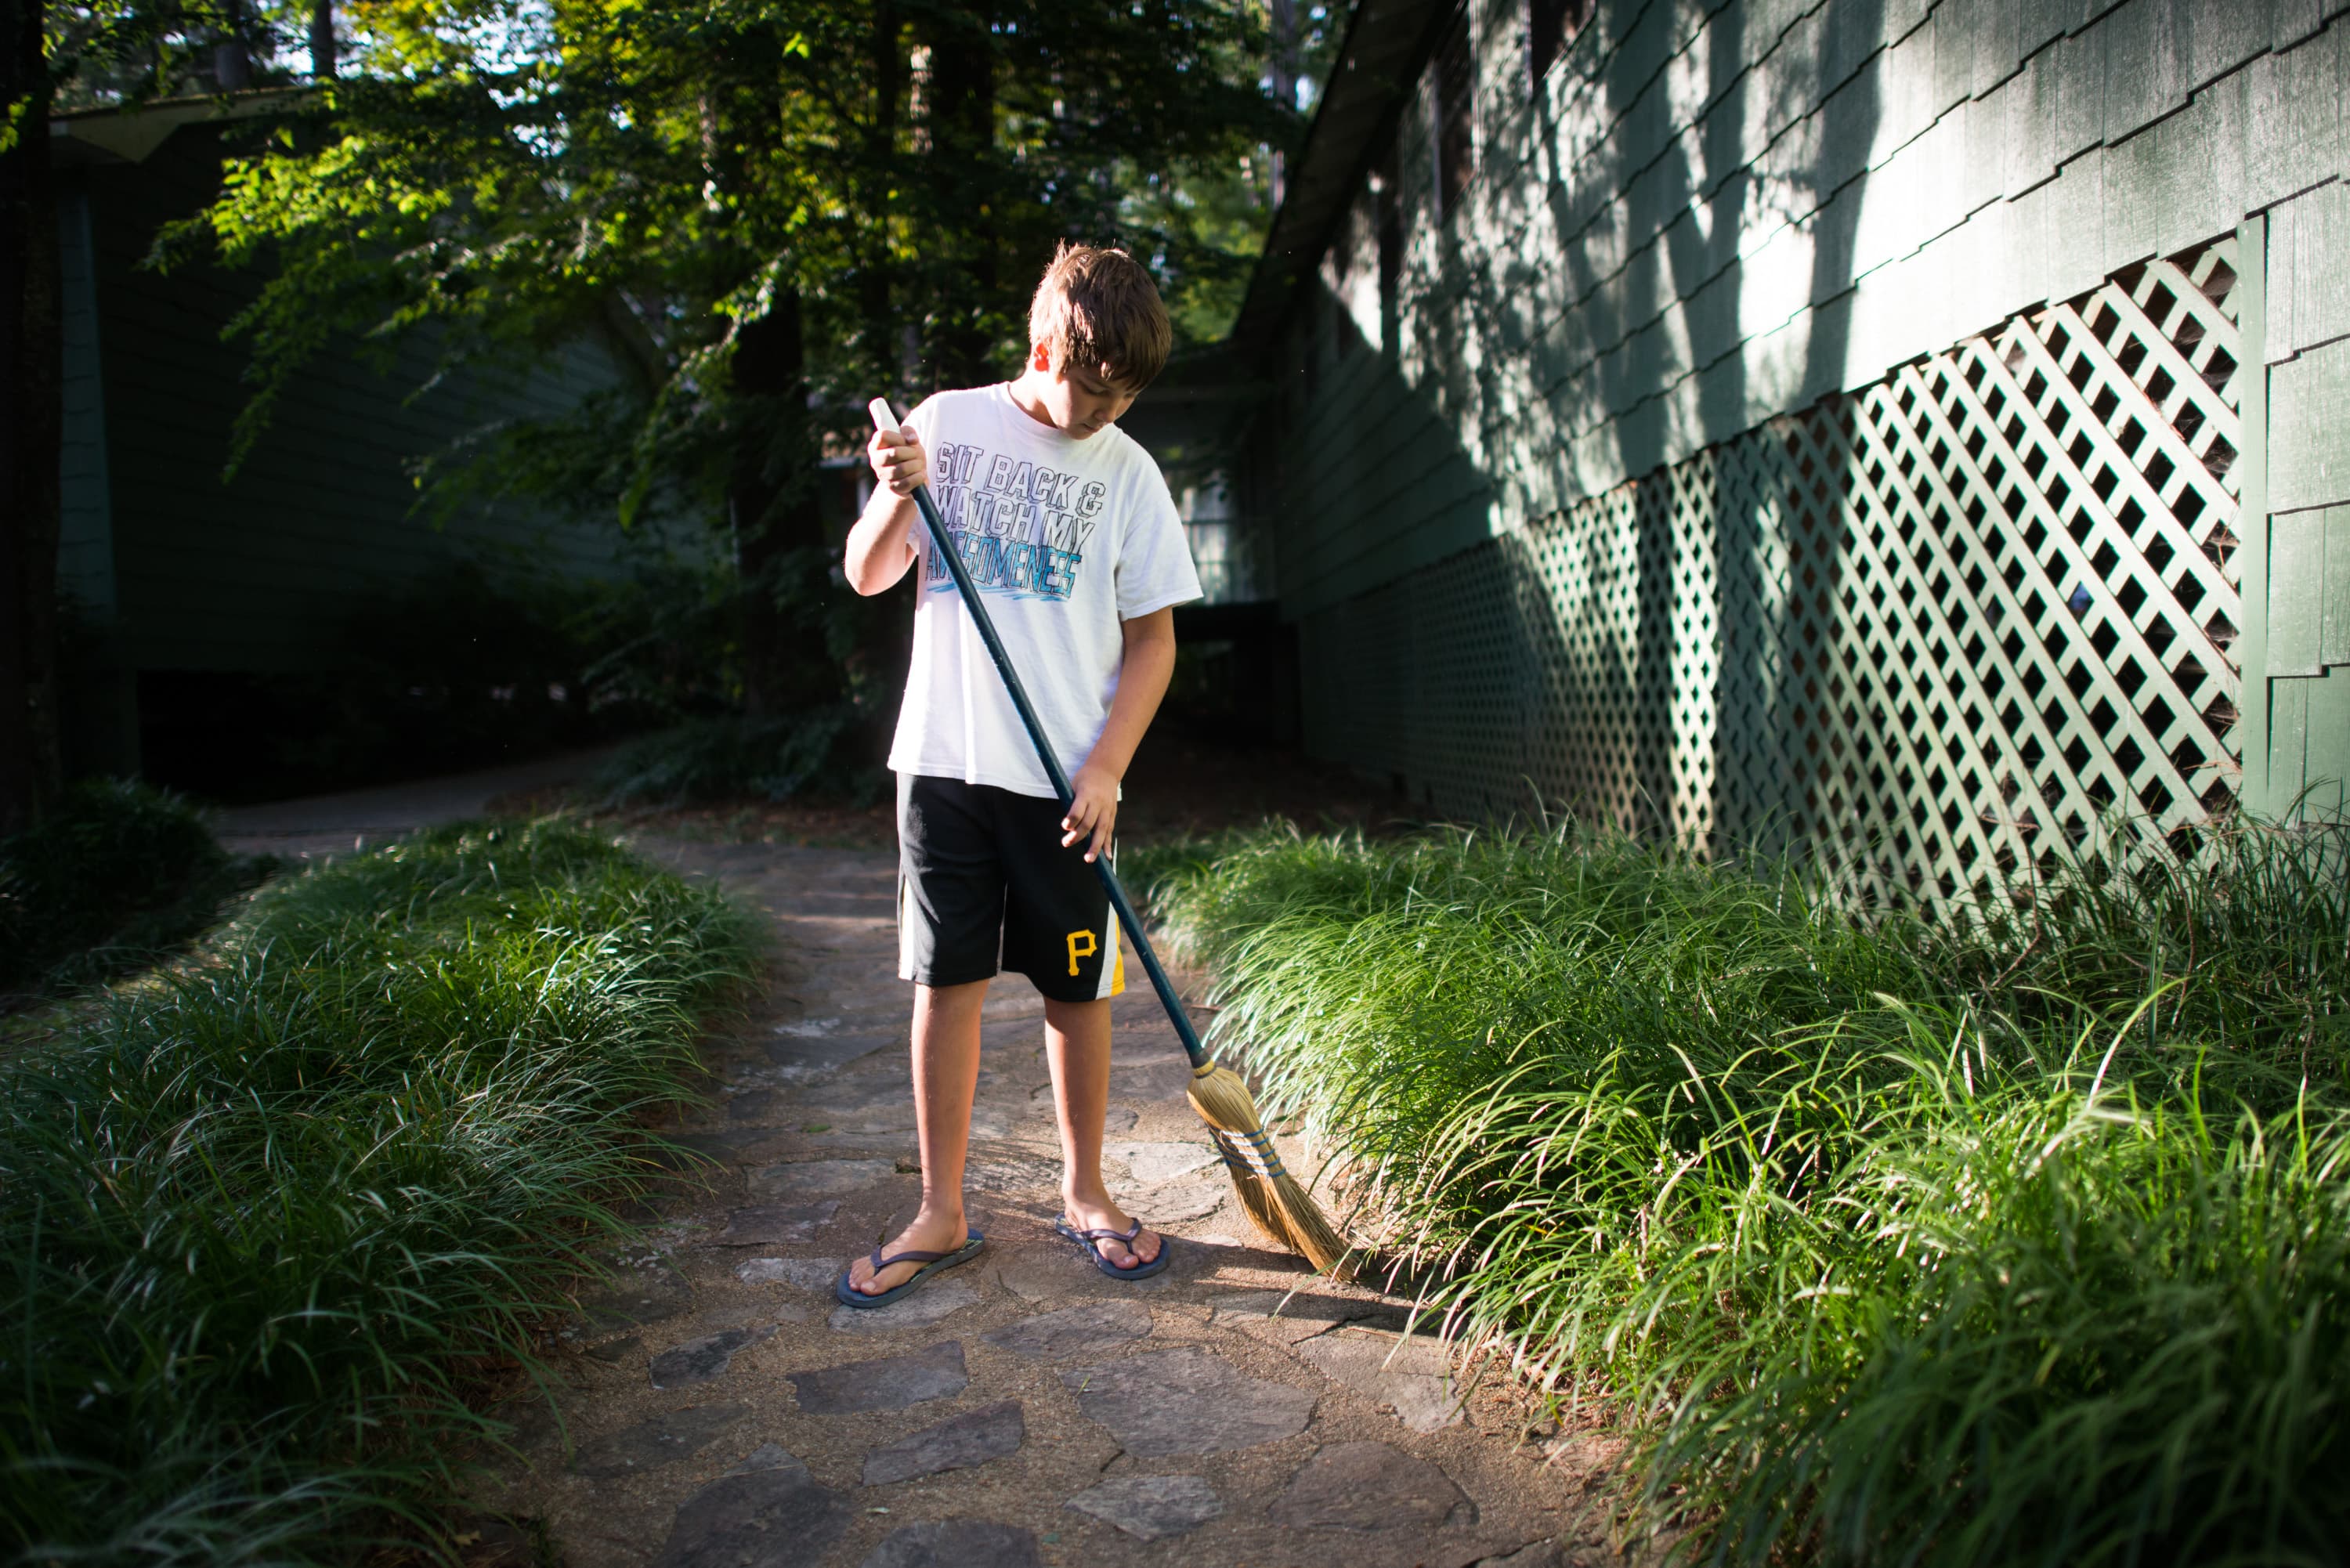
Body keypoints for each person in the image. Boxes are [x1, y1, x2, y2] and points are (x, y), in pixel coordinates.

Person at [836, 242, 1202, 1305]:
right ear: (1047, 346)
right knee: (944, 984)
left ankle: (1085, 1191)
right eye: (1093, 389)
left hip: (1067, 787)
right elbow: (866, 575)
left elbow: (1153, 641)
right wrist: (895, 492)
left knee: (1077, 988)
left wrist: (1108, 768)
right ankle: (941, 1213)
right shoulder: (946, 425)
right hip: (946, 762)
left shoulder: (1129, 471)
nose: (1105, 413)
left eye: (1126, 396)